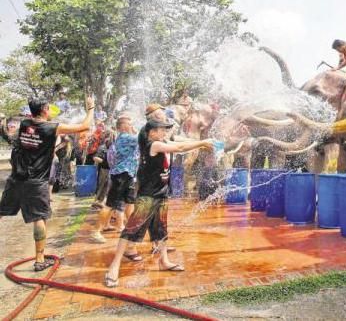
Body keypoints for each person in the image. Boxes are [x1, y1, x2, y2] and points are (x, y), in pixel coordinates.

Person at [104, 118, 214, 287]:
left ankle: (164, 261)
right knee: (131, 229)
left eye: (165, 130)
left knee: (161, 230)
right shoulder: (153, 145)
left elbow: (182, 142)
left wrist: (203, 142)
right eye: (162, 130)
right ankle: (114, 266)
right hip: (148, 196)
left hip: (161, 195)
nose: (165, 133)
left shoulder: (162, 141)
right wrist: (202, 143)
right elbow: (180, 148)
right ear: (152, 132)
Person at [0, 96, 94, 271]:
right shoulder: (51, 127)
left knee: (2, 211)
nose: (51, 111)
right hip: (36, 181)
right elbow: (85, 126)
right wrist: (91, 109)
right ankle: (39, 260)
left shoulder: (25, 124)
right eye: (49, 108)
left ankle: (40, 259)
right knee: (39, 218)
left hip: (16, 178)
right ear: (44, 109)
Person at [92, 117, 139, 248]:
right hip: (121, 175)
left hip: (128, 175)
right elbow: (144, 139)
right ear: (123, 126)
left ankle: (132, 228)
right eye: (130, 123)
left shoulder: (125, 138)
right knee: (110, 205)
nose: (132, 125)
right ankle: (96, 231)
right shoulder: (125, 138)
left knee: (130, 202)